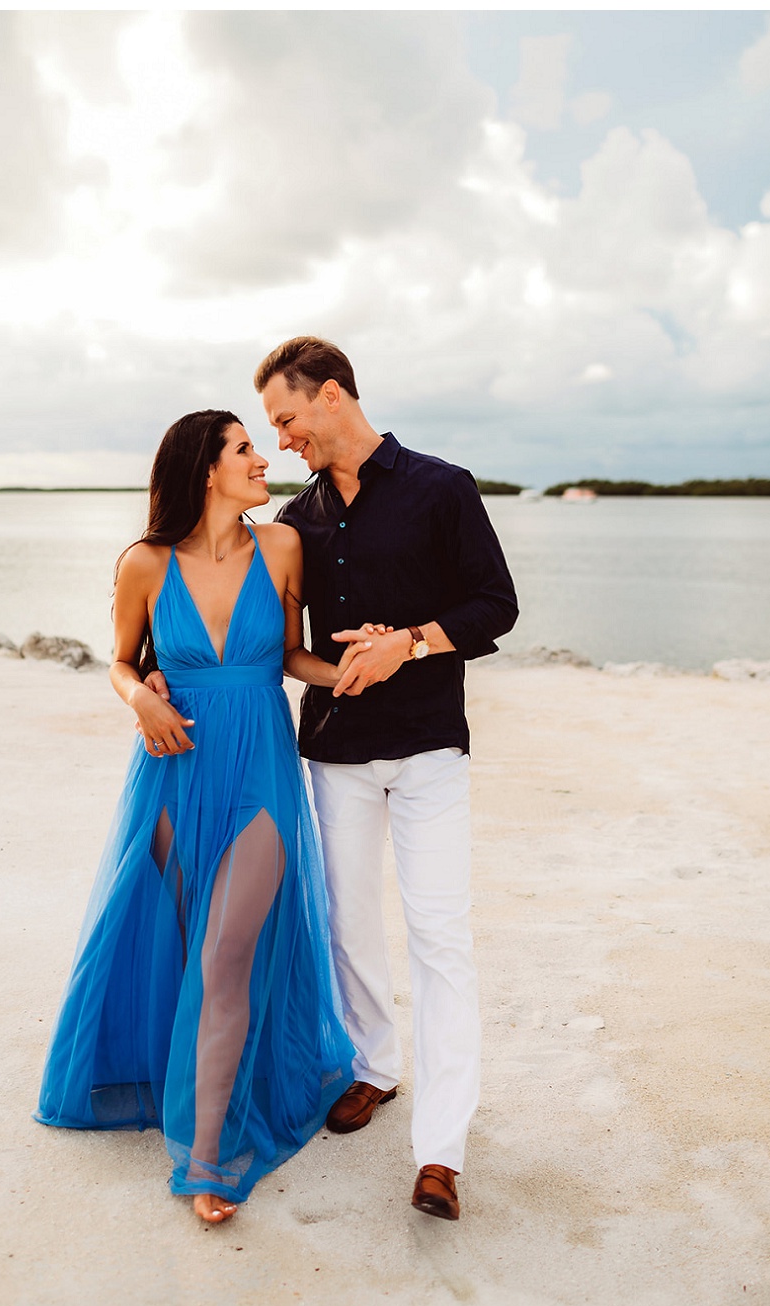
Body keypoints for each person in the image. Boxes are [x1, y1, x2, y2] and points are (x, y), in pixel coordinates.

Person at [35, 410, 364, 1225]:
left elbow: (289, 654)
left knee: (225, 955)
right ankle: (197, 1083)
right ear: (204, 469)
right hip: (173, 776)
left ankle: (209, 1156)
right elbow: (118, 660)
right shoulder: (144, 564)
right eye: (245, 449)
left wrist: (345, 670)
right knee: (193, 947)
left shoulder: (283, 547)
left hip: (259, 771)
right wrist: (141, 694)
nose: (262, 460)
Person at [261, 335, 519, 1221]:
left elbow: (497, 605)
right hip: (334, 750)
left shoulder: (443, 486)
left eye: (288, 418)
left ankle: (441, 1152)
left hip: (430, 748)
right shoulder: (297, 519)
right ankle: (374, 1066)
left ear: (333, 395)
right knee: (350, 924)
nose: (284, 437)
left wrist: (407, 641)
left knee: (442, 937)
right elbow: (284, 644)